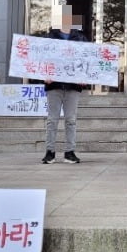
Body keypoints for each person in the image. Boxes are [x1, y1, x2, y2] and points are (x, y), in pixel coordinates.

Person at [41, 24, 88, 165]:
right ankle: (50, 152)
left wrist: (84, 77)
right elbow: (41, 59)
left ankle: (70, 152)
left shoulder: (80, 38)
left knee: (71, 120)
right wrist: (43, 75)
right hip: (54, 85)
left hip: (73, 86)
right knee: (52, 120)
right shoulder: (49, 37)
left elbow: (87, 60)